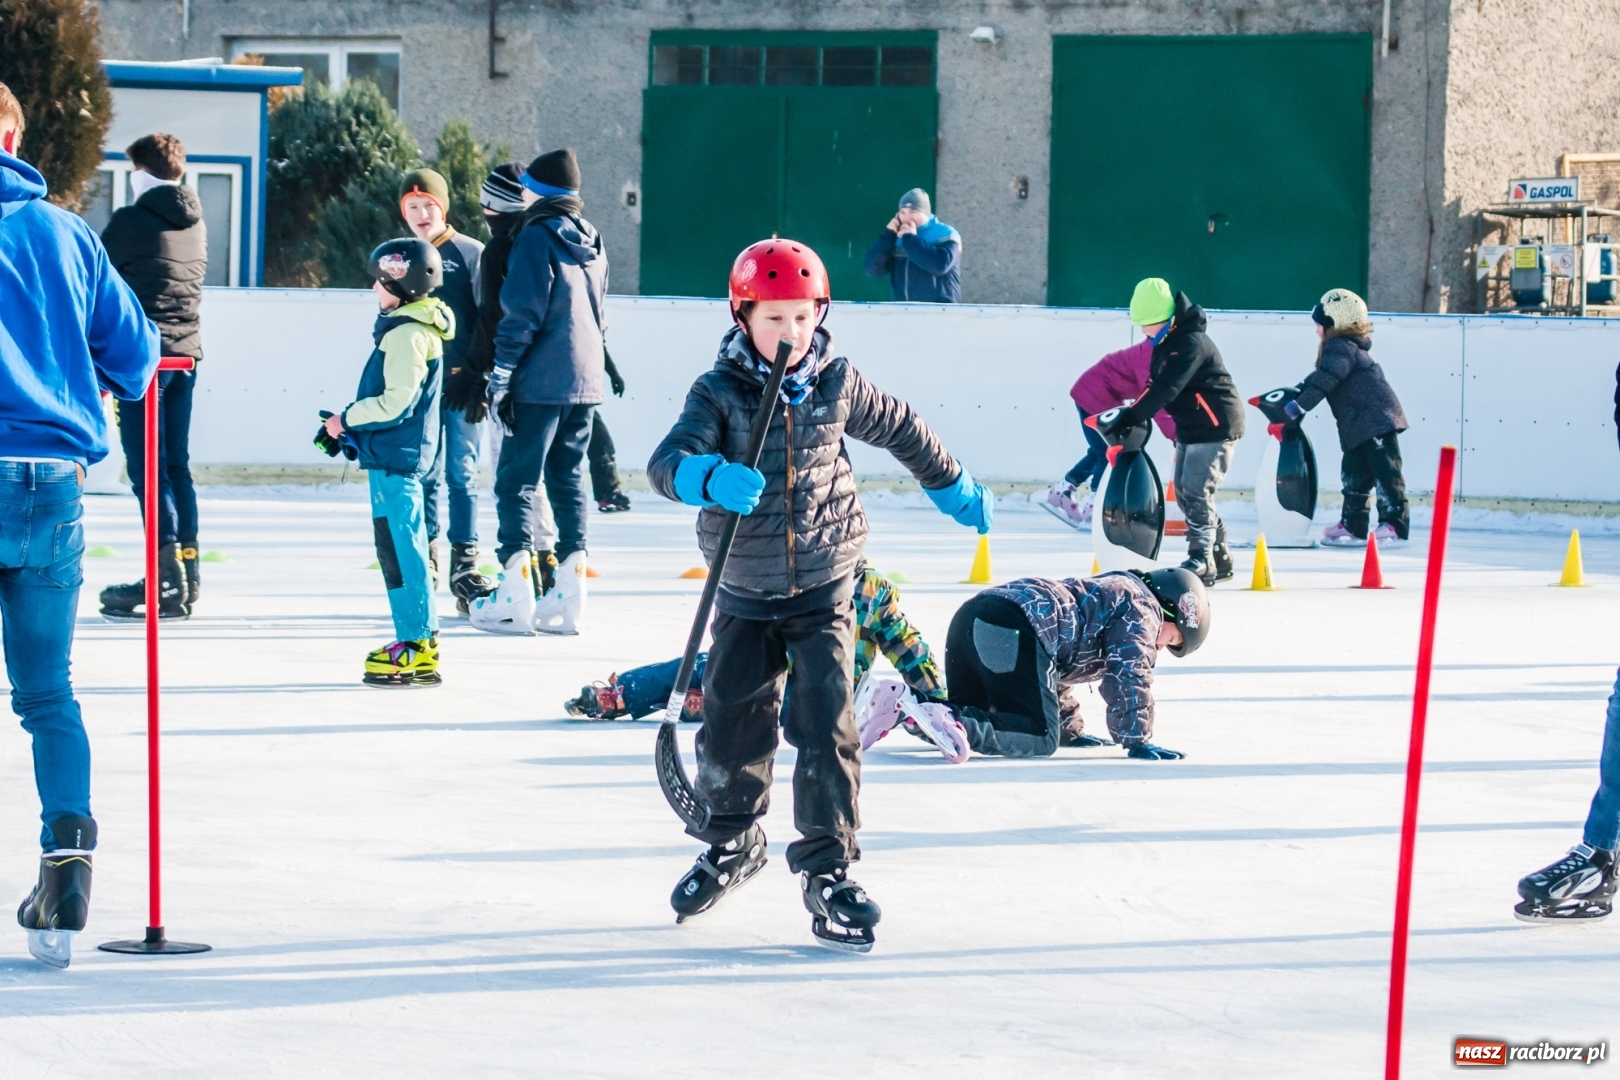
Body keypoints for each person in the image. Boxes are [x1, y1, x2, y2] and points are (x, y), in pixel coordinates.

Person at [646, 237, 992, 951]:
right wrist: (705, 478)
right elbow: (667, 459)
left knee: (827, 727)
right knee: (732, 725)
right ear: (743, 317)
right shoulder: (719, 391)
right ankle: (732, 842)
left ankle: (828, 868)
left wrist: (950, 481)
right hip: (744, 587)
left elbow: (902, 427)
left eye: (803, 317)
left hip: (825, 584)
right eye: (774, 318)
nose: (791, 333)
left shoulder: (836, 382)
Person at [0, 82, 161, 967]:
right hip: (50, 483)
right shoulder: (65, 234)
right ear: (15, 138)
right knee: (46, 693)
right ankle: (65, 870)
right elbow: (135, 358)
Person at [860, 568, 1207, 763]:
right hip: (1011, 628)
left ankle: (905, 707)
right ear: (1170, 607)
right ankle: (939, 715)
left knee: (970, 718)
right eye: (1172, 638)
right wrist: (1137, 740)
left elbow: (1054, 667)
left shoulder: (1111, 593)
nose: (1160, 646)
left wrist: (1070, 730)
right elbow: (1129, 672)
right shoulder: (1143, 608)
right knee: (1039, 735)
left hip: (974, 617)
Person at [472, 148, 606, 637]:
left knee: (516, 482)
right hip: (584, 380)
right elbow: (599, 313)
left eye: (527, 186)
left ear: (539, 193)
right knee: (568, 480)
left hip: (540, 379)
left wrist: (502, 374)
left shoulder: (535, 236)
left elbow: (522, 312)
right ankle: (570, 594)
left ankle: (514, 594)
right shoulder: (592, 238)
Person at [563, 560, 944, 727]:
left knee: (786, 705)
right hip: (775, 672)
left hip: (823, 693)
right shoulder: (791, 574)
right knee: (708, 664)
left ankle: (714, 703)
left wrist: (938, 701)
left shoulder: (871, 592)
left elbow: (906, 646)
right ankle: (623, 693)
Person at [322, 238, 451, 688]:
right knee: (395, 549)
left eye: (379, 281)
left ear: (400, 284)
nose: (375, 289)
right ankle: (417, 639)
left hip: (398, 459)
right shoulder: (410, 329)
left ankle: (417, 642)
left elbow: (397, 401)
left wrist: (346, 419)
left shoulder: (407, 334)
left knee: (401, 551)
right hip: (394, 455)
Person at [96, 132, 207, 619]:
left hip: (144, 360)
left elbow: (96, 283)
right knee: (176, 464)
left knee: (147, 467)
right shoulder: (196, 222)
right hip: (186, 356)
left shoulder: (130, 221)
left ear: (139, 173)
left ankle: (164, 578)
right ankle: (187, 572)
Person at [1099, 279, 1245, 587]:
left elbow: (1168, 388)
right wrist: (1130, 412)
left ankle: (1202, 557)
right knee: (1184, 490)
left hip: (1216, 425)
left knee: (1196, 490)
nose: (1143, 330)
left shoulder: (1191, 343)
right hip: (1193, 426)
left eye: (1147, 323)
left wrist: (1132, 416)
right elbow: (1153, 385)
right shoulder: (1166, 343)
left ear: (1164, 318)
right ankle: (1219, 555)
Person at [397, 168, 493, 609]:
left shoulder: (470, 252)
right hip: (422, 385)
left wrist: (480, 375)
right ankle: (428, 554)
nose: (421, 214)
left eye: (428, 206)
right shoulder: (401, 255)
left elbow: (489, 318)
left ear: (443, 207)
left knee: (462, 472)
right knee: (425, 472)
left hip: (463, 384)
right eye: (412, 207)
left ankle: (465, 562)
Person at [470, 163, 561, 599]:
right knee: (553, 478)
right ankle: (552, 567)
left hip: (513, 379)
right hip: (562, 378)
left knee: (512, 479)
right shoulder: (554, 239)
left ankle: (522, 575)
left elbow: (494, 318)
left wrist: (479, 373)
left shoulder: (502, 249)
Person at [1280, 288, 1410, 546]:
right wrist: (1295, 393)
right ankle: (1353, 525)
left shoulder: (1339, 346)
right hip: (1358, 426)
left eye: (1320, 324)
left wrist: (1297, 407)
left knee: (1386, 474)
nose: (1317, 330)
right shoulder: (1342, 348)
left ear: (1334, 323)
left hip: (1377, 422)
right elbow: (1318, 378)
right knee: (1354, 475)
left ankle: (1394, 524)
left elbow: (1325, 381)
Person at [1044, 337, 1175, 530]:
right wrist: (1176, 435)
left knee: (1099, 449)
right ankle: (1094, 508)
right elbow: (1154, 399)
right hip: (1094, 395)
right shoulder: (1150, 356)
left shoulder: (1157, 351)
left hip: (1098, 394)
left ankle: (1062, 491)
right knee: (1108, 451)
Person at [862, 188, 961, 304]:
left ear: (925, 213)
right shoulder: (897, 237)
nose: (907, 218)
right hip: (904, 310)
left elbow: (940, 265)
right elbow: (872, 270)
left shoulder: (945, 233)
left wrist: (910, 239)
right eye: (902, 212)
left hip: (941, 310)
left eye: (913, 212)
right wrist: (887, 236)